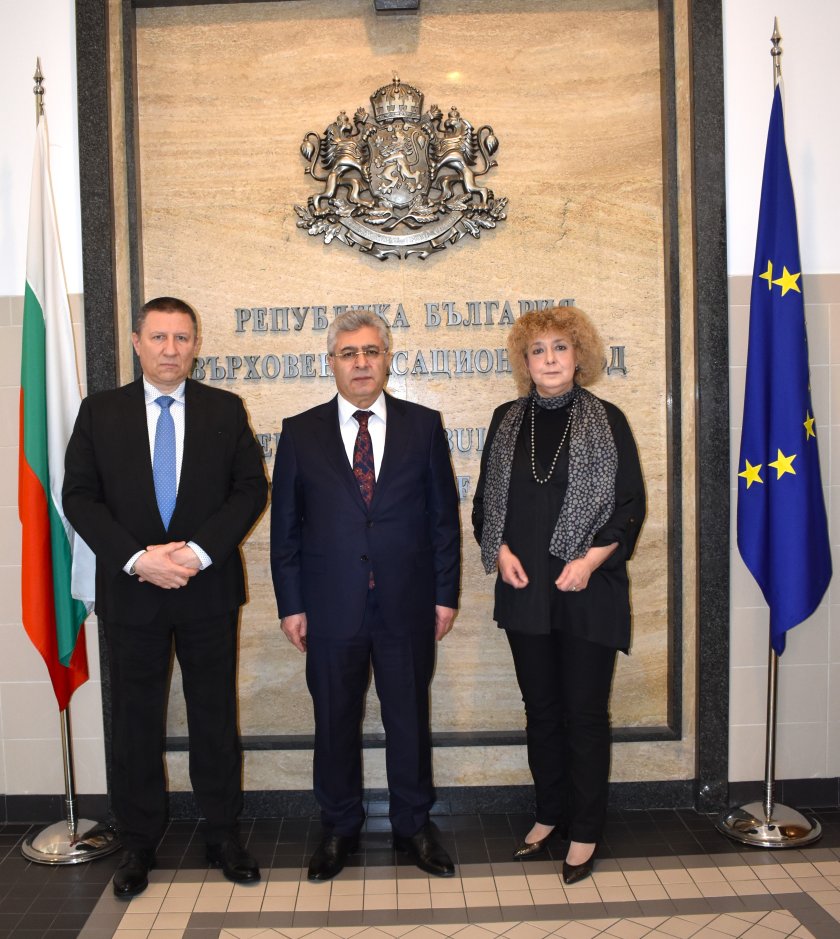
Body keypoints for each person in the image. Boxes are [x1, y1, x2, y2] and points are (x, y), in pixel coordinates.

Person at [63, 297, 268, 898]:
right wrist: (137, 559)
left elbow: (250, 489)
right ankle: (138, 842)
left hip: (206, 590)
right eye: (159, 337)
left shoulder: (224, 408)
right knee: (135, 722)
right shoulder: (100, 412)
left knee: (214, 716)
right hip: (132, 593)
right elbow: (78, 496)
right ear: (136, 342)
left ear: (196, 345)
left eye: (182, 338)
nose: (171, 349)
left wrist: (197, 553)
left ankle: (223, 833)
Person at [271, 310, 460, 882]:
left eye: (371, 352)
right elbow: (286, 530)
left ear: (387, 359)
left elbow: (442, 519)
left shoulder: (423, 426)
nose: (361, 363)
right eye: (348, 353)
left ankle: (413, 825)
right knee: (334, 722)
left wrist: (445, 595)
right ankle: (338, 827)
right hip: (330, 607)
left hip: (407, 603)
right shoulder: (300, 432)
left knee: (408, 719)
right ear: (331, 362)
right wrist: (291, 605)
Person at [472, 306, 644, 885]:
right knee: (541, 712)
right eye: (538, 350)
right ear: (525, 362)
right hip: (526, 592)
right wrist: (498, 551)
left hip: (588, 590)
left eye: (560, 348)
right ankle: (549, 813)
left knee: (584, 714)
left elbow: (629, 505)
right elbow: (485, 505)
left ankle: (585, 829)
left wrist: (590, 561)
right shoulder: (505, 420)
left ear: (579, 355)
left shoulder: (607, 419)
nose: (549, 359)